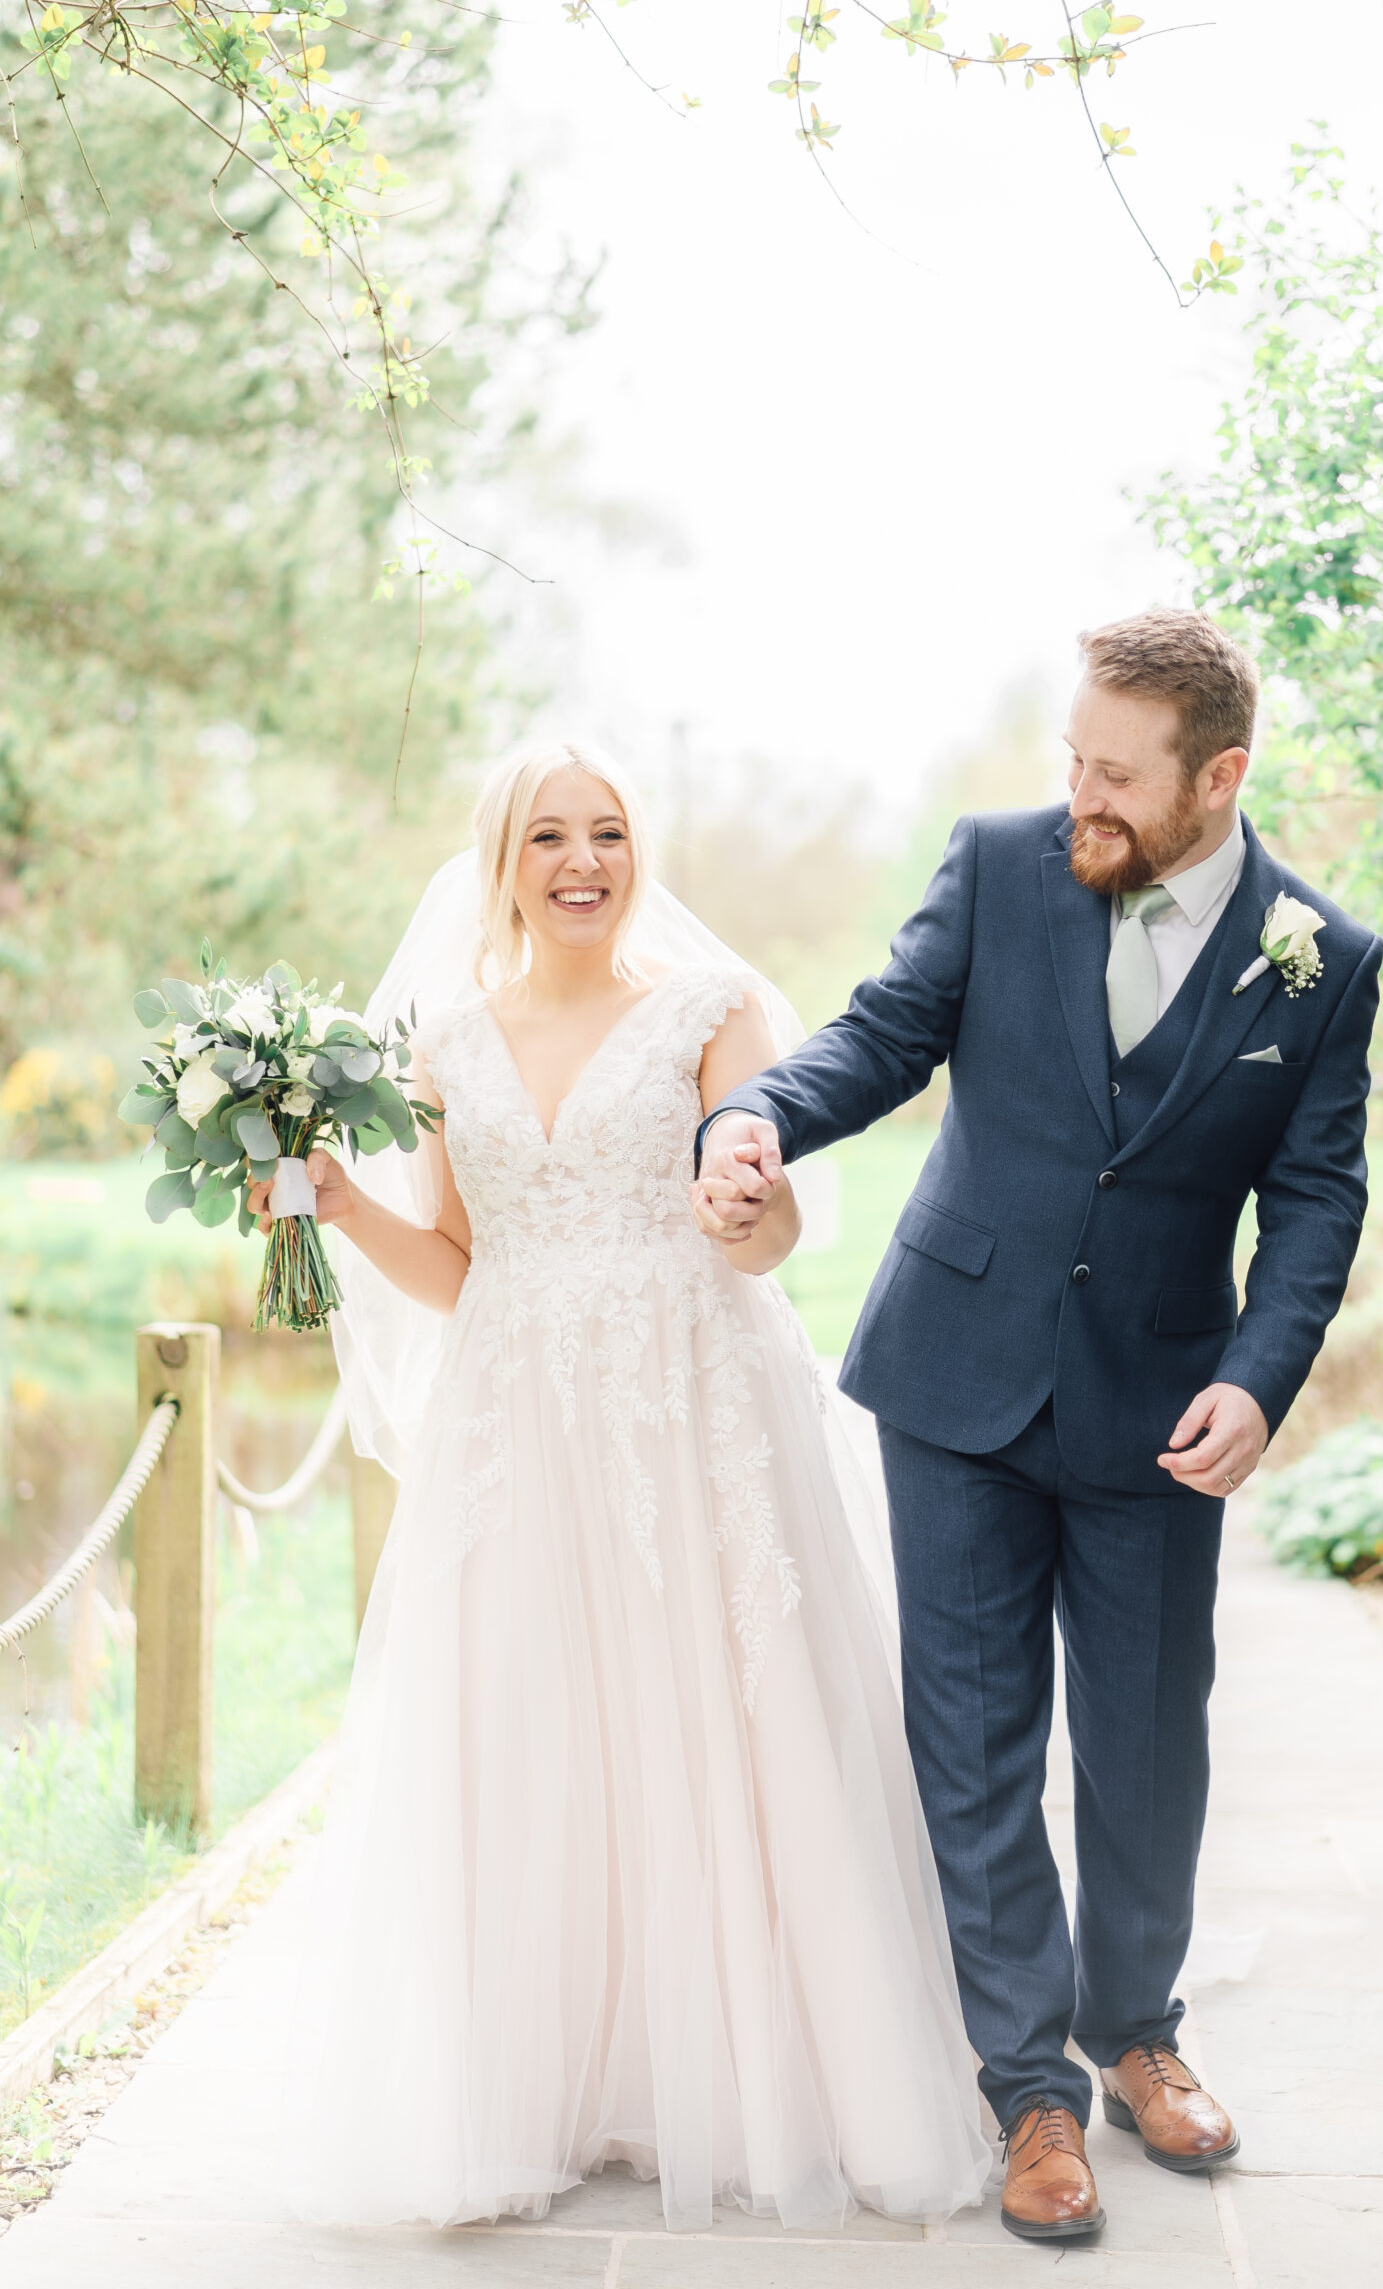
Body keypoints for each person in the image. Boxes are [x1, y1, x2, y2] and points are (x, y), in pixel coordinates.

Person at [694, 609, 1382, 2245]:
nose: (1081, 790)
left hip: (1162, 1405)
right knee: (976, 1741)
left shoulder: (1322, 957)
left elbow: (1316, 1196)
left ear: (1218, 778)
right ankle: (1032, 2092)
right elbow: (878, 1035)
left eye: (1118, 774)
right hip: (957, 1379)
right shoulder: (1003, 866)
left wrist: (1262, 1372)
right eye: (1071, 754)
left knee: (1148, 1743)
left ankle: (1139, 2034)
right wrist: (754, 1114)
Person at [250, 740, 990, 2235]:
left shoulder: (715, 1014)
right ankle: (554, 2085)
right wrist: (335, 1201)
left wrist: (749, 1209)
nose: (582, 862)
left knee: (724, 1721)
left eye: (606, 834)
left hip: (691, 1399)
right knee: (540, 1726)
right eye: (549, 838)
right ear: (501, 861)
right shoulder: (448, 1042)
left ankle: (763, 2079)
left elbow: (763, 1241)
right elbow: (461, 1269)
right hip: (520, 1415)